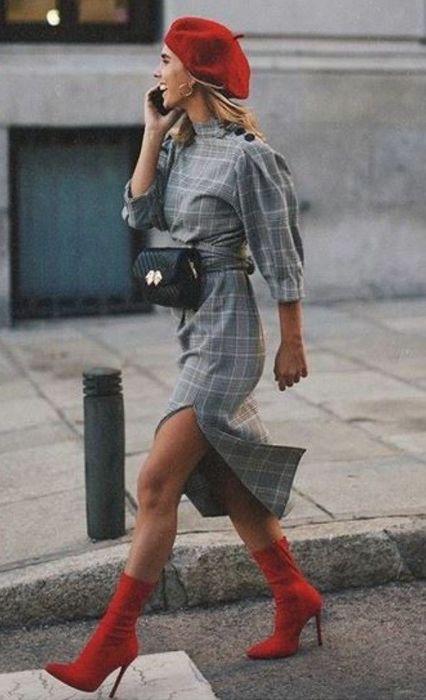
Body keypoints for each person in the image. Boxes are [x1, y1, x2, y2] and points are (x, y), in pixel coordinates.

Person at [44, 16, 323, 698]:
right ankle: (294, 596)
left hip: (229, 333)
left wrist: (293, 339)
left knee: (155, 483)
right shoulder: (181, 144)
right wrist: (151, 133)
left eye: (166, 60)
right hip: (195, 325)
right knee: (228, 480)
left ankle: (116, 638)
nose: (157, 70)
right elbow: (138, 216)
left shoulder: (249, 157)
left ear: (194, 75)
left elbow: (281, 252)